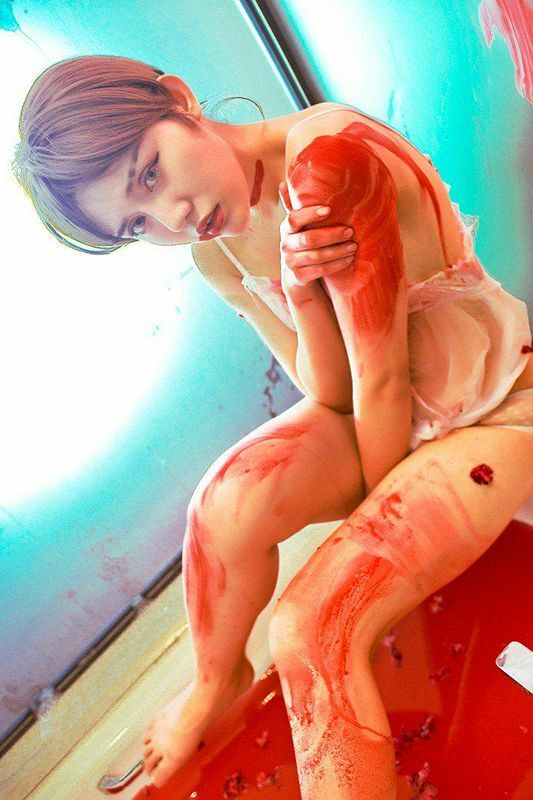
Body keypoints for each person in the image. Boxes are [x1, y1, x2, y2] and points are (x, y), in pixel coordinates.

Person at [12, 54, 533, 796]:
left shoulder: (328, 166)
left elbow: (382, 382)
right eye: (136, 224)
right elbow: (328, 393)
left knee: (314, 629)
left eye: (150, 172)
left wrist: (371, 557)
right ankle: (216, 684)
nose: (172, 218)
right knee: (221, 507)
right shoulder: (216, 251)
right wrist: (303, 294)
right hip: (391, 422)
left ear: (179, 96)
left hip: (493, 412)